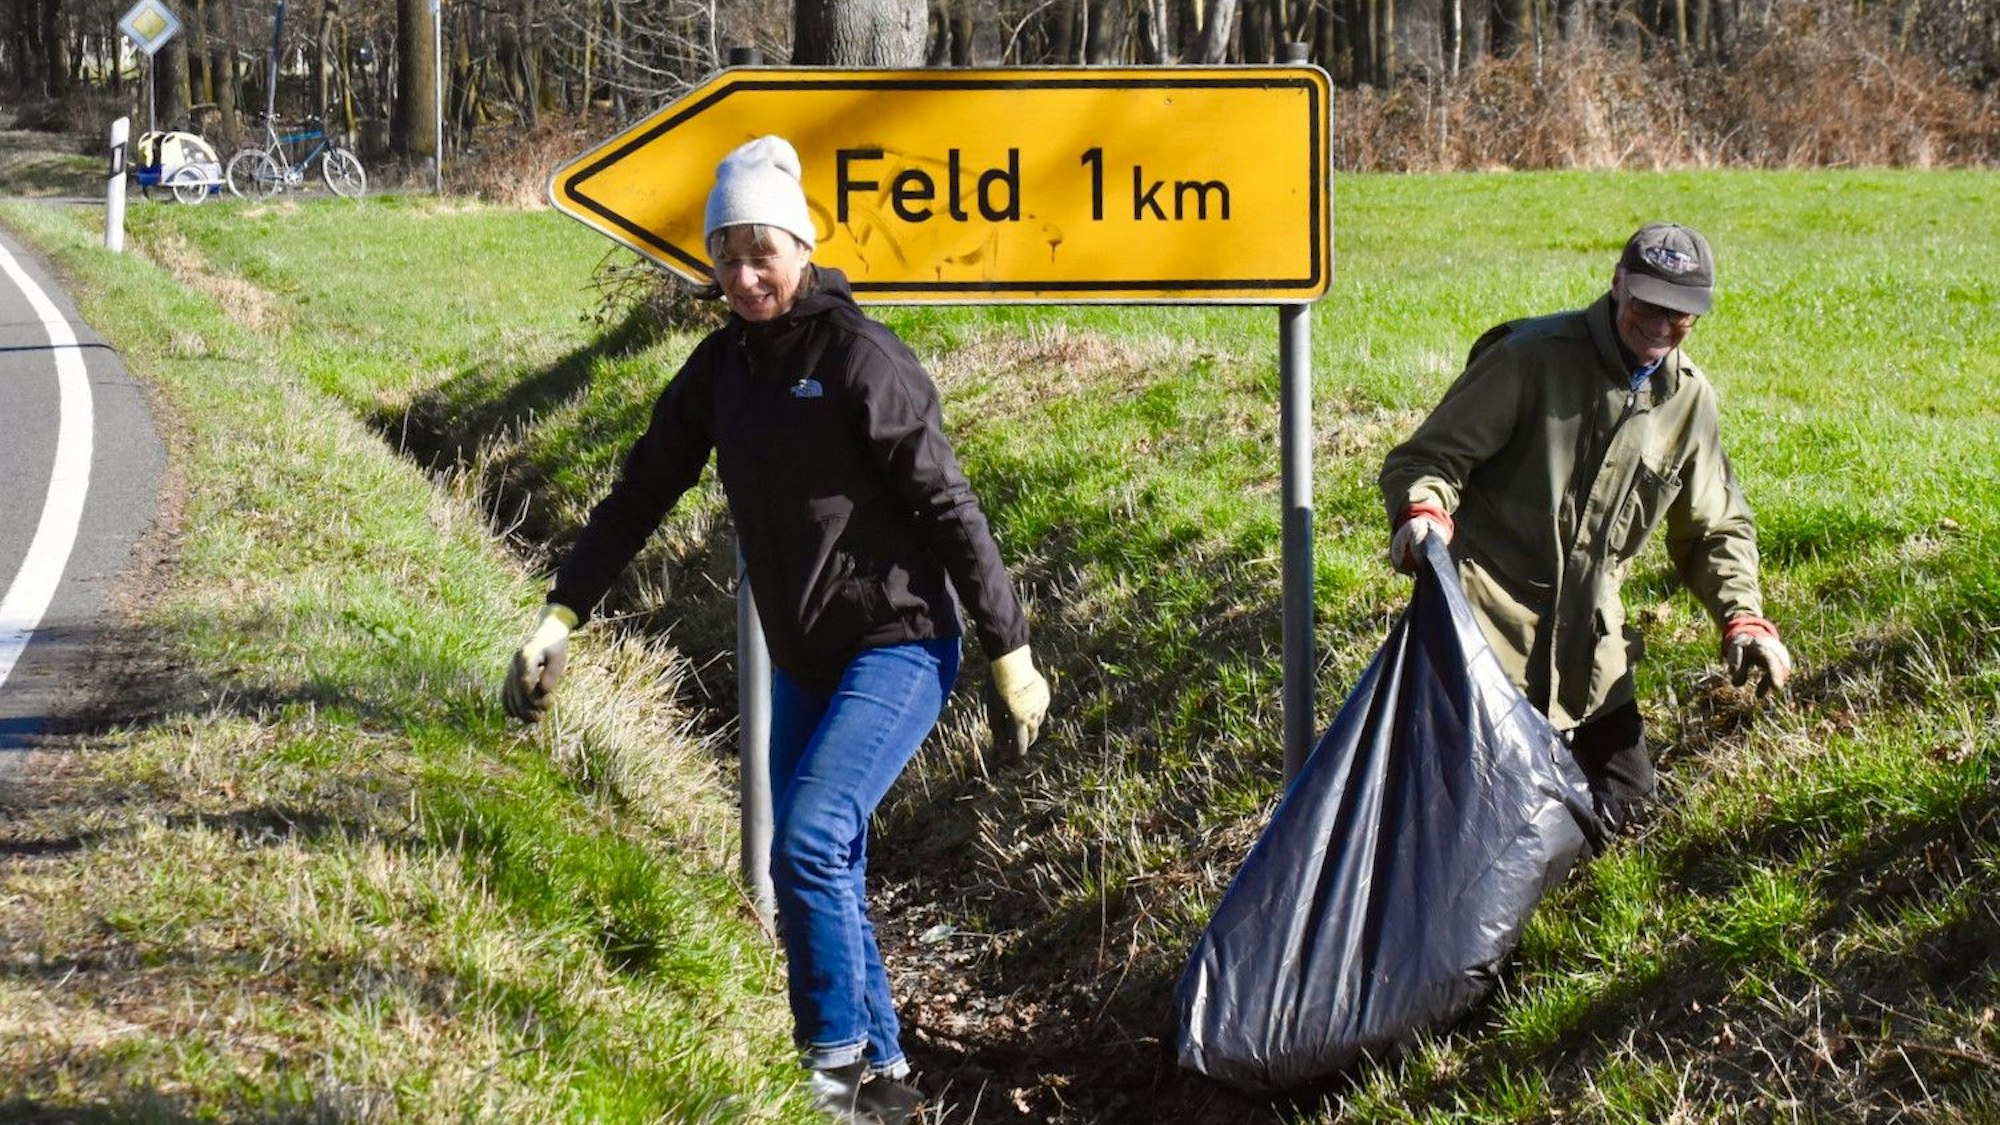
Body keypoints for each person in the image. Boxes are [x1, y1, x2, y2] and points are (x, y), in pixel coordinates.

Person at [500, 135, 1052, 1124]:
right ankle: (882, 1077)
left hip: (900, 641)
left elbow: (948, 508)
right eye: (726, 255)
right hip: (804, 656)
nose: (745, 275)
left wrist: (1008, 651)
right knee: (819, 863)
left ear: (802, 247)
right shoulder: (721, 371)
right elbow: (635, 499)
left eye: (763, 252)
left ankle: (830, 1073)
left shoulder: (861, 360)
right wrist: (558, 615)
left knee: (805, 844)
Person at [1378, 221, 1792, 832]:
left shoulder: (1689, 400)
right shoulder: (1527, 358)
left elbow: (1714, 527)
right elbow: (1427, 460)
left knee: (1630, 813)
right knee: (1466, 828)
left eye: (1681, 313)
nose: (1661, 323)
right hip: (1482, 644)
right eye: (1649, 302)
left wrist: (1743, 616)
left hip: (1591, 662)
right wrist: (1423, 512)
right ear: (1618, 283)